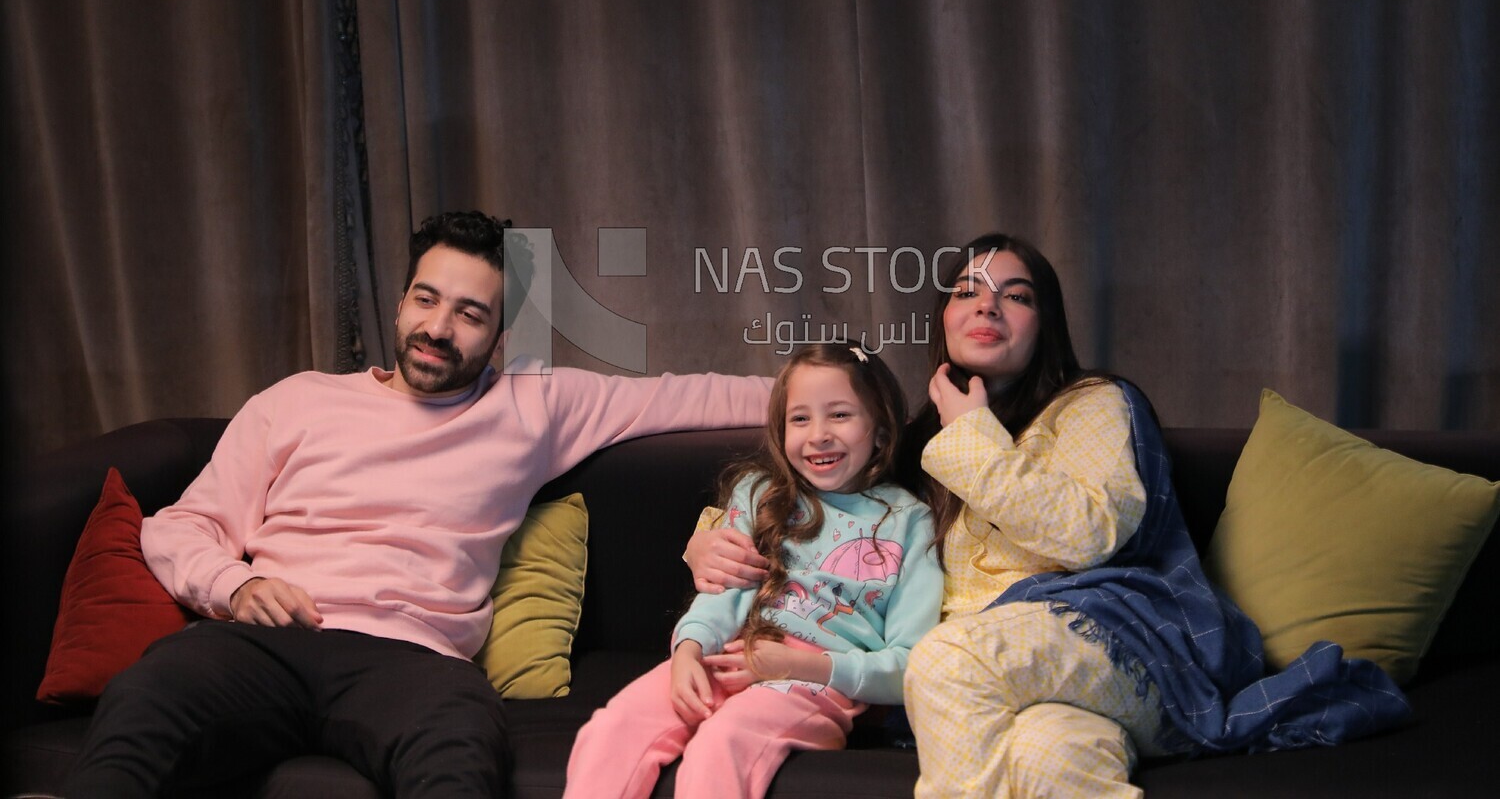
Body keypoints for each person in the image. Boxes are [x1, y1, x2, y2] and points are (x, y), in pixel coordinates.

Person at [64, 211, 773, 799]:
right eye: (427, 300)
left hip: (413, 661)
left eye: (470, 314)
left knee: (462, 745)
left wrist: (839, 404)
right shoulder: (296, 400)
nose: (439, 328)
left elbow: (696, 393)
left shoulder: (536, 404)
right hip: (269, 644)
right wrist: (236, 584)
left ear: (497, 337)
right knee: (148, 697)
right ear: (401, 304)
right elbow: (180, 527)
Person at [688, 233, 1409, 798]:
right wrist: (708, 541)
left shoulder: (1093, 404)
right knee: (1052, 756)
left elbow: (1090, 536)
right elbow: (810, 506)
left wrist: (973, 433)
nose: (988, 306)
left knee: (944, 660)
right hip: (1011, 685)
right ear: (942, 318)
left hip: (1112, 644)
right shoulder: (915, 445)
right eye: (968, 290)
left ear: (1046, 322)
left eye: (1017, 294)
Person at [565, 343, 943, 799]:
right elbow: (723, 591)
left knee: (724, 742)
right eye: (800, 419)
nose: (818, 434)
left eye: (839, 415)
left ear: (881, 431)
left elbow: (910, 663)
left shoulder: (908, 521)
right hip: (726, 655)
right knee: (613, 728)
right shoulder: (760, 495)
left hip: (814, 681)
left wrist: (792, 664)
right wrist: (687, 650)